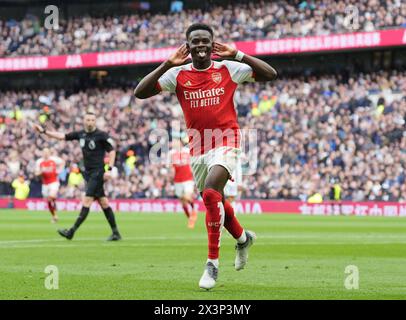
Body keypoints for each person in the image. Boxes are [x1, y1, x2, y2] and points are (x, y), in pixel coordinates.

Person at [134, 23, 277, 289]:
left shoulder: (228, 68)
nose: (200, 45)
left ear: (212, 44)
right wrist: (166, 63)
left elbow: (270, 74)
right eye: (195, 42)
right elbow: (139, 92)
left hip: (227, 140)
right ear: (187, 46)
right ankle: (244, 239)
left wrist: (239, 55)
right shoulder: (177, 74)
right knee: (218, 201)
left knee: (211, 193)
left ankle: (212, 264)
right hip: (198, 147)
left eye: (205, 41)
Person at [33, 109, 122, 241]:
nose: (90, 122)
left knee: (87, 200)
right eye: (88, 119)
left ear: (95, 121)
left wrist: (109, 169)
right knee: (103, 202)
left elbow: (112, 151)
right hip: (88, 173)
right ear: (84, 121)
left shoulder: (102, 135)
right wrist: (43, 131)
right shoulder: (80, 134)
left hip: (98, 173)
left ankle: (71, 231)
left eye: (92, 120)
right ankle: (116, 233)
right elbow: (62, 136)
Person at [169, 139, 198, 229]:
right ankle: (190, 218)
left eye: (175, 142)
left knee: (187, 196)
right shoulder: (171, 153)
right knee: (183, 201)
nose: (173, 143)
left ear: (180, 143)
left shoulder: (187, 151)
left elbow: (192, 164)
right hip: (177, 180)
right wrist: (171, 177)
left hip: (188, 179)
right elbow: (171, 167)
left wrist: (194, 174)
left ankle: (194, 209)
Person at [35, 148, 65, 223]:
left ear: (49, 153)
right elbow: (36, 173)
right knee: (49, 200)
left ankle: (54, 203)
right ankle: (54, 215)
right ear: (42, 153)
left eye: (47, 152)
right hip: (45, 184)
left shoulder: (54, 160)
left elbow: (63, 162)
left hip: (54, 182)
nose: (46, 154)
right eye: (44, 152)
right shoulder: (39, 162)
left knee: (51, 196)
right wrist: (41, 172)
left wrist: (59, 170)